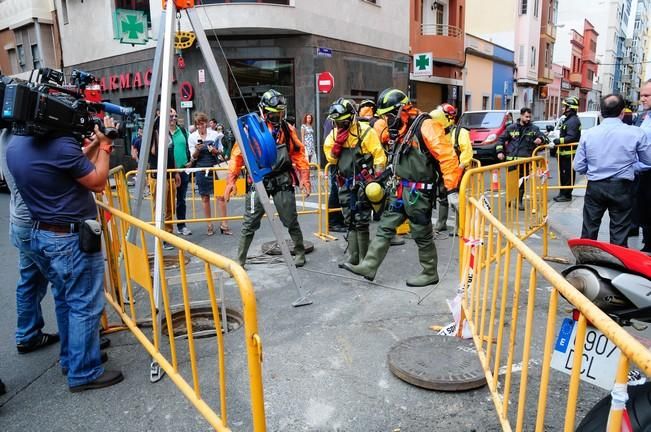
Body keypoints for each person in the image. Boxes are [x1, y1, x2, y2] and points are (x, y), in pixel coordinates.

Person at [6, 117, 124, 392]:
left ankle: (74, 359)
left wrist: (94, 143)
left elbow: (69, 164)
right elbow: (96, 182)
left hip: (41, 234)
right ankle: (84, 371)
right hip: (68, 238)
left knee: (66, 300)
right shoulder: (59, 146)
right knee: (84, 303)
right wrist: (105, 147)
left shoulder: (16, 145)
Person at [342, 88, 462, 287]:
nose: (387, 120)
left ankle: (430, 272)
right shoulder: (398, 129)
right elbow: (376, 135)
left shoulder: (426, 126)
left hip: (418, 193)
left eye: (389, 115)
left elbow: (448, 156)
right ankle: (369, 265)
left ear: (402, 109)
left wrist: (451, 190)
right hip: (399, 190)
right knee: (385, 227)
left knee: (421, 234)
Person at [224, 89, 311, 267]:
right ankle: (240, 260)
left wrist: (305, 178)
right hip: (259, 181)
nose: (277, 117)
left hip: (282, 180)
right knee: (249, 222)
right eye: (273, 114)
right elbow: (237, 156)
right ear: (264, 111)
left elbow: (299, 154)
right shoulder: (251, 130)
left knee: (290, 219)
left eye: (280, 113)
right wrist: (230, 181)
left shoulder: (287, 129)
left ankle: (300, 251)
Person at [0, 128, 60, 354]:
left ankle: (28, 334)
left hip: (20, 223)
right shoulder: (24, 138)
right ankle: (79, 346)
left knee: (30, 281)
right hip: (36, 225)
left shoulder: (6, 135)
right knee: (65, 284)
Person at [574, 94, 651, 247]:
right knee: (619, 233)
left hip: (595, 187)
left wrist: (595, 168)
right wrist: (631, 165)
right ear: (622, 112)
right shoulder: (636, 133)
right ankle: (616, 267)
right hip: (622, 188)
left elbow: (578, 166)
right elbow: (648, 161)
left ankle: (585, 263)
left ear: (601, 112)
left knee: (589, 230)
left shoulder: (588, 135)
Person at [324, 98, 386, 268]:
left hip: (363, 183)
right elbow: (330, 157)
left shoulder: (366, 132)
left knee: (361, 219)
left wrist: (378, 178)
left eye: (343, 122)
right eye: (336, 122)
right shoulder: (334, 135)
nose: (339, 125)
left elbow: (379, 155)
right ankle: (353, 257)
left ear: (351, 117)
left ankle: (364, 260)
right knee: (349, 219)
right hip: (344, 184)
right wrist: (336, 147)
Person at [430, 104, 472, 231]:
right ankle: (441, 223)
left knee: (456, 198)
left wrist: (460, 168)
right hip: (442, 169)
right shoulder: (438, 131)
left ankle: (460, 226)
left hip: (456, 170)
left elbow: (467, 151)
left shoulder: (460, 132)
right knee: (442, 195)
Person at [188, 111, 232, 236]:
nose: (201, 127)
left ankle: (224, 224)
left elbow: (221, 152)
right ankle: (209, 225)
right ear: (196, 125)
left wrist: (214, 150)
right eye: (198, 125)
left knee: (221, 196)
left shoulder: (214, 134)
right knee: (205, 197)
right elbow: (193, 157)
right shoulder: (192, 137)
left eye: (203, 124)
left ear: (206, 123)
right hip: (201, 169)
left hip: (215, 167)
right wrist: (197, 149)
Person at [496, 107, 545, 211]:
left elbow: (543, 137)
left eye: (529, 117)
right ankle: (510, 198)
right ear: (521, 116)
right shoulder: (511, 128)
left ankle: (519, 201)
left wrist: (540, 139)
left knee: (522, 182)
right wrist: (500, 152)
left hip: (525, 161)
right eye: (526, 116)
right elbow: (500, 139)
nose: (528, 119)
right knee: (511, 181)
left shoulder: (534, 129)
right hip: (512, 160)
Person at [552, 96, 582, 202]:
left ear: (569, 108)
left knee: (567, 175)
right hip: (564, 154)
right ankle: (563, 193)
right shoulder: (569, 120)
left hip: (569, 155)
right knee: (563, 175)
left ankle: (566, 195)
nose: (562, 108)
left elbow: (571, 137)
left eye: (564, 106)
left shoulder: (573, 121)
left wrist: (558, 141)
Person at [167, 108, 192, 236]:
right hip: (169, 172)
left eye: (175, 116)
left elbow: (191, 144)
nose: (173, 118)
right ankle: (168, 229)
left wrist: (191, 160)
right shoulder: (162, 134)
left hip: (183, 170)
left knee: (181, 199)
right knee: (168, 202)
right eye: (170, 116)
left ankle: (181, 225)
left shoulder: (182, 131)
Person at [635, 80, 651, 253]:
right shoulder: (643, 116)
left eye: (646, 96)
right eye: (641, 96)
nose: (642, 99)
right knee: (644, 212)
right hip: (643, 173)